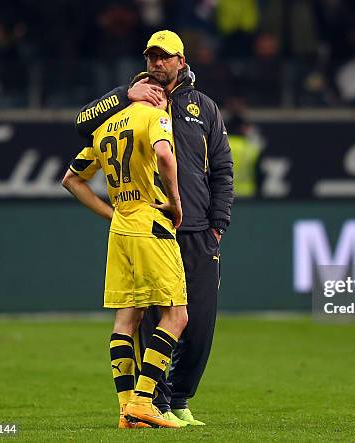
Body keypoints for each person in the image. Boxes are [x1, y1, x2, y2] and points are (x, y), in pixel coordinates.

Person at [74, 30, 233, 426]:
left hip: (196, 230)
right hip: (152, 224)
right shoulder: (131, 101)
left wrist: (218, 224)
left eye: (165, 57)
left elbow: (223, 169)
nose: (156, 64)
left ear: (182, 61)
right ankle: (153, 401)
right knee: (152, 319)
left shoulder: (205, 108)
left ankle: (175, 398)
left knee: (198, 326)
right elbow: (80, 123)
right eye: (151, 57)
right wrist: (124, 94)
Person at [62, 72, 187, 429]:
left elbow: (71, 179)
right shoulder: (155, 117)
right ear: (152, 94)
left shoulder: (105, 128)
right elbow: (164, 155)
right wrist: (176, 203)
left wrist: (110, 212)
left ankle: (125, 411)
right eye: (161, 92)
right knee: (177, 315)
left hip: (120, 228)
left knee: (126, 319)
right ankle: (145, 401)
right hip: (150, 221)